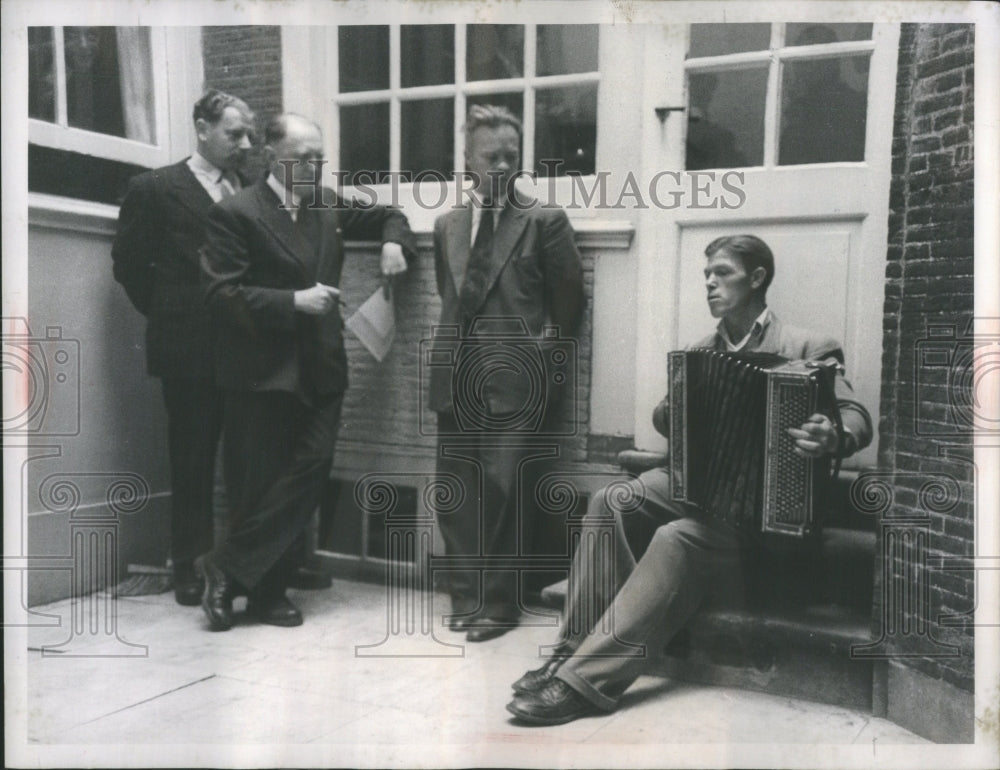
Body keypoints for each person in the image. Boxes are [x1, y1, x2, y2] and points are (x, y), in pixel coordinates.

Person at [506, 234, 873, 724]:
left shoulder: (808, 345)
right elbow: (666, 421)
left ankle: (584, 684)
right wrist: (671, 410)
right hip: (706, 495)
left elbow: (855, 414)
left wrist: (834, 434)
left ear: (757, 277)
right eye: (706, 275)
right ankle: (569, 651)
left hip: (772, 521)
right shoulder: (701, 351)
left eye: (722, 273)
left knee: (676, 538)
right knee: (611, 499)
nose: (710, 283)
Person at [196, 113, 417, 630]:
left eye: (321, 158)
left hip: (320, 366)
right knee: (260, 483)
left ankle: (226, 567)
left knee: (311, 471)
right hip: (263, 371)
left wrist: (393, 242)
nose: (316, 167)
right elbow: (219, 295)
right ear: (273, 157)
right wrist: (293, 300)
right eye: (305, 159)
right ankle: (267, 594)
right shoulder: (236, 213)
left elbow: (390, 213)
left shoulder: (324, 204)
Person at [428, 105, 585, 643]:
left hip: (517, 381)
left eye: (510, 157)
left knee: (504, 491)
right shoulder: (446, 225)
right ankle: (466, 597)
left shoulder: (544, 222)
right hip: (456, 376)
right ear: (467, 160)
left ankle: (500, 604)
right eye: (490, 156)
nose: (501, 166)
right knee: (456, 492)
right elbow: (449, 298)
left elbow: (568, 310)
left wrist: (544, 371)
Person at [111, 90, 254, 606]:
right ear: (201, 127)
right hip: (189, 351)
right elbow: (128, 265)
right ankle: (190, 567)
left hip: (245, 348)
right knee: (192, 460)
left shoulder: (247, 188)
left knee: (245, 457)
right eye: (233, 133)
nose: (244, 143)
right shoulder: (155, 188)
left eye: (247, 135)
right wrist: (174, 313)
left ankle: (241, 566)